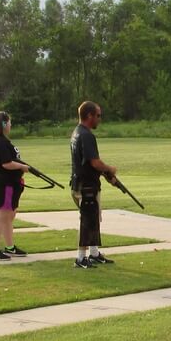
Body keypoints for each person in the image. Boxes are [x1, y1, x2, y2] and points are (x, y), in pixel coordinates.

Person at [69, 101, 117, 268]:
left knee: (93, 218)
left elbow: (89, 163)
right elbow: (95, 162)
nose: (99, 119)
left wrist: (107, 177)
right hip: (87, 186)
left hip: (80, 184)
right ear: (89, 115)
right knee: (88, 221)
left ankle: (94, 253)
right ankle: (81, 258)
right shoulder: (87, 135)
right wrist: (109, 169)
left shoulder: (77, 132)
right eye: (98, 115)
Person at [0, 111, 32, 260]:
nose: (11, 125)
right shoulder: (0, 142)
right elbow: (7, 163)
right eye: (9, 122)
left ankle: (10, 247)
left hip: (9, 182)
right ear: (4, 124)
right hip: (4, 183)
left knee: (9, 216)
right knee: (1, 216)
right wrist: (22, 167)